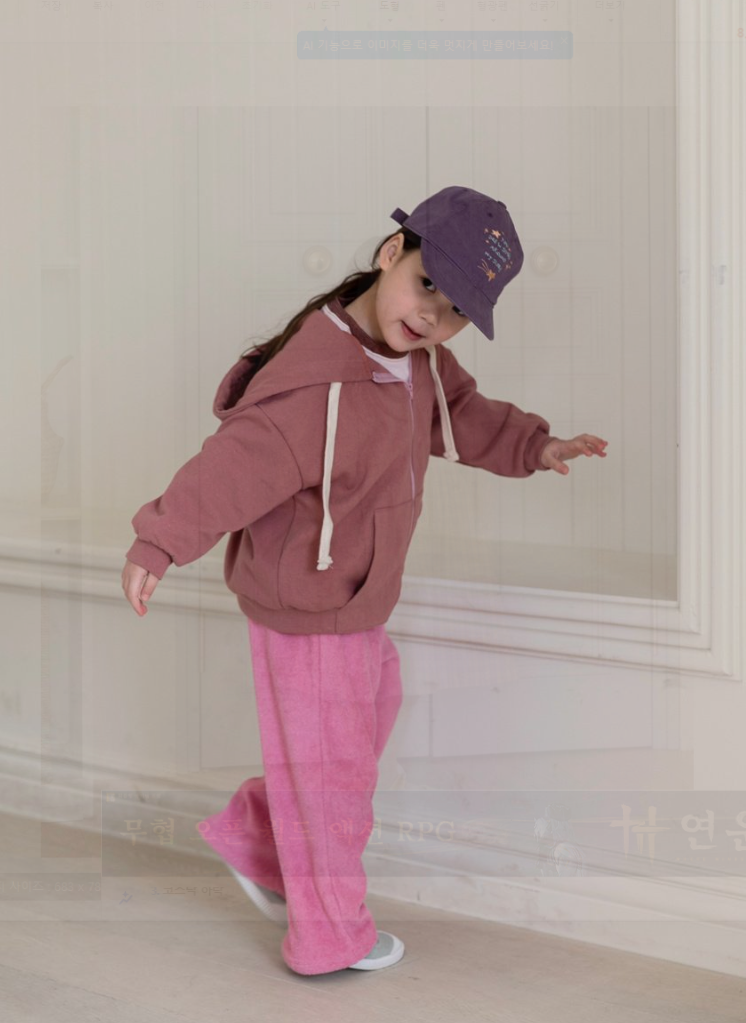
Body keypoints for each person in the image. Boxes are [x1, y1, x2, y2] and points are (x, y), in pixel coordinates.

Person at [121, 185, 608, 976]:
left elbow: (464, 413)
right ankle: (328, 935)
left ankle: (258, 834)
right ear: (390, 254)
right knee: (333, 776)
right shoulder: (314, 382)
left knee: (364, 719)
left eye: (455, 310)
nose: (432, 315)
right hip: (310, 603)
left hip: (355, 596)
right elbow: (232, 466)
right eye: (427, 285)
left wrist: (536, 446)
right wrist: (160, 542)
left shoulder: (418, 363)